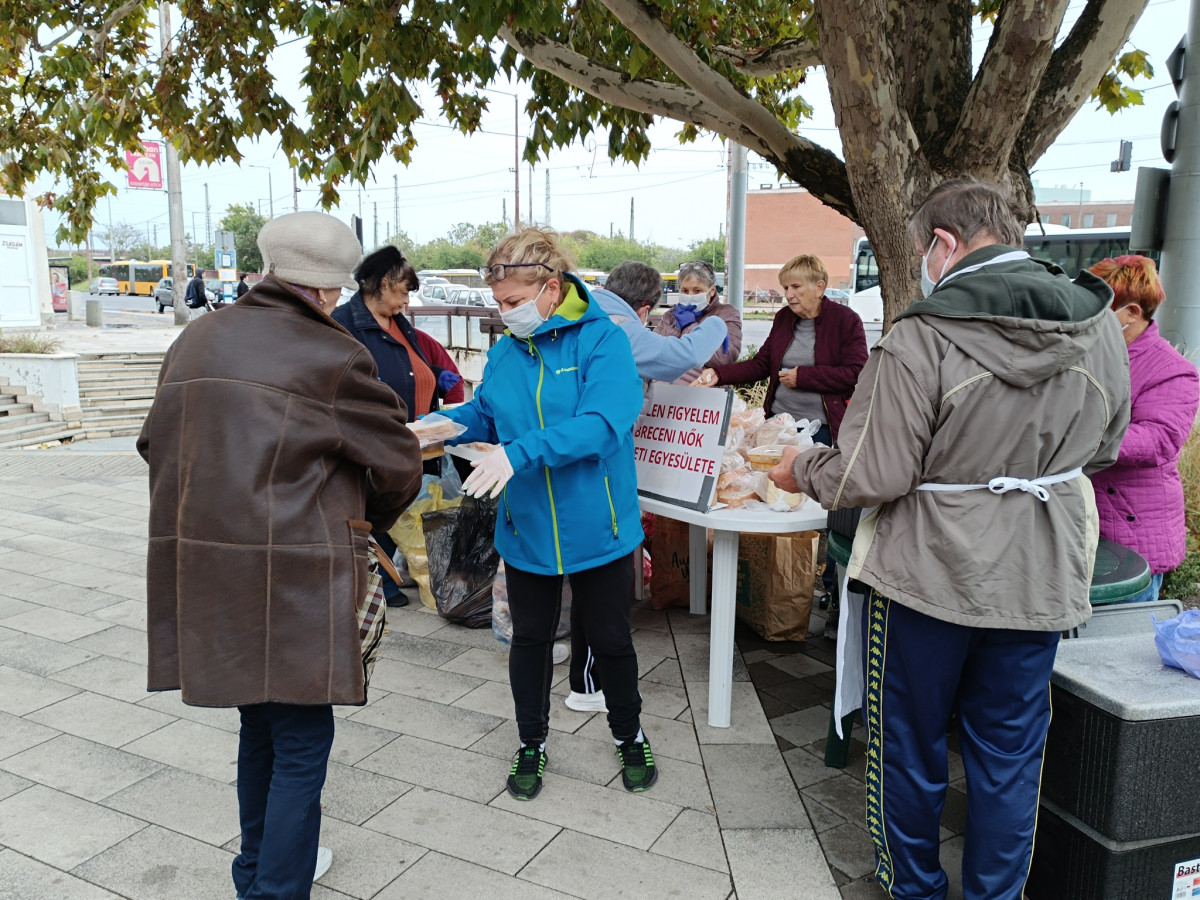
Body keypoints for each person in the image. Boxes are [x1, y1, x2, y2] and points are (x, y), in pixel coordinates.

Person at [769, 178, 1129, 900]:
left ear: (943, 244)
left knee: (908, 746)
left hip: (925, 575)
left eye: (922, 252)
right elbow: (1107, 444)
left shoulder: (922, 335)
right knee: (1010, 752)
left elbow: (870, 472)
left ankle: (916, 889)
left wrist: (799, 465)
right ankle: (996, 894)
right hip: (1039, 573)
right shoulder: (1097, 327)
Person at [137, 211, 423, 900]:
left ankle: (255, 874)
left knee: (259, 728)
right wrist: (361, 524)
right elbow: (400, 464)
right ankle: (276, 888)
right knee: (299, 742)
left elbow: (153, 445)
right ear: (330, 287)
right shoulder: (331, 354)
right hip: (297, 575)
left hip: (209, 570)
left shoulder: (197, 336)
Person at [434, 226, 656, 800]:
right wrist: (438, 427)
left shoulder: (602, 342)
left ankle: (629, 734)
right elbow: (487, 412)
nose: (505, 314)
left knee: (610, 639)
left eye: (512, 302)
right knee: (528, 640)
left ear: (550, 288)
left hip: (598, 525)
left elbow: (604, 422)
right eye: (498, 303)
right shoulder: (508, 350)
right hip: (526, 525)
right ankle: (530, 742)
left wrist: (520, 452)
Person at [564, 260, 729, 713]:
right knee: (604, 577)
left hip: (572, 458)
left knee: (586, 571)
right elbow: (678, 357)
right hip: (597, 463)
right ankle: (586, 683)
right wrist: (715, 329)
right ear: (643, 307)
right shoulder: (616, 322)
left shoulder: (582, 308)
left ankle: (580, 669)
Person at [694, 253, 867, 610]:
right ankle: (773, 590)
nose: (788, 294)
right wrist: (719, 375)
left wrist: (805, 376)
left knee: (830, 512)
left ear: (820, 287)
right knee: (776, 506)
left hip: (824, 435)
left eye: (795, 286)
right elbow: (762, 365)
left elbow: (857, 372)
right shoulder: (785, 319)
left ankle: (832, 594)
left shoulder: (845, 321)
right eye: (785, 287)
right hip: (777, 432)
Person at [332, 246, 465, 607]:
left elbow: (408, 365)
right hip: (378, 438)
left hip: (417, 435)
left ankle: (398, 569)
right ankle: (379, 578)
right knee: (379, 505)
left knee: (407, 502)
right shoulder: (345, 324)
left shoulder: (399, 324)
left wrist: (435, 377)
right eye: (404, 291)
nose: (407, 300)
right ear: (384, 283)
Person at [1088, 255, 1198, 604]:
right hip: (1087, 523)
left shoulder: (1171, 370)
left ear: (1133, 312)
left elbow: (1158, 440)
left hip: (1133, 533)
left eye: (1099, 309)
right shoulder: (1093, 352)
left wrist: (1076, 438)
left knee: (1116, 645)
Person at [653, 259, 741, 384]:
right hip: (665, 389)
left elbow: (724, 358)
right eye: (685, 290)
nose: (690, 295)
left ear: (712, 291)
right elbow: (655, 351)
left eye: (697, 290)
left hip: (702, 390)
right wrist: (676, 329)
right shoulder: (671, 315)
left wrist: (690, 327)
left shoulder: (727, 314)